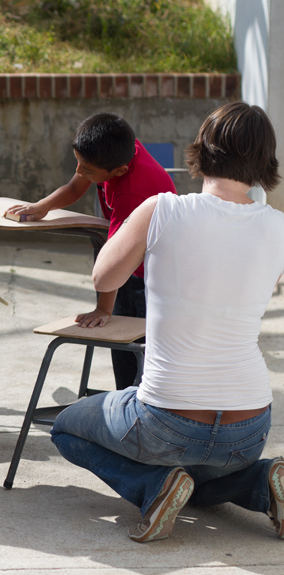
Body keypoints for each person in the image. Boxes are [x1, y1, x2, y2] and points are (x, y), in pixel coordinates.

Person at [50, 102, 284, 543]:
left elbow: (104, 278)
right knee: (199, 470)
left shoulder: (163, 209)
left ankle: (154, 486)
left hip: (166, 419)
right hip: (249, 428)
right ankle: (260, 480)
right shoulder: (278, 227)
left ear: (203, 148)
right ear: (264, 162)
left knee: (66, 426)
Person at [6, 113, 176, 389]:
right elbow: (75, 187)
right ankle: (125, 396)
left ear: (119, 171)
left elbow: (116, 259)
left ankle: (139, 400)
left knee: (138, 348)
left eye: (87, 169)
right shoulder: (115, 152)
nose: (79, 171)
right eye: (78, 163)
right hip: (130, 265)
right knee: (121, 345)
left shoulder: (131, 191)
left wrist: (103, 309)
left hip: (148, 276)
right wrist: (42, 206)